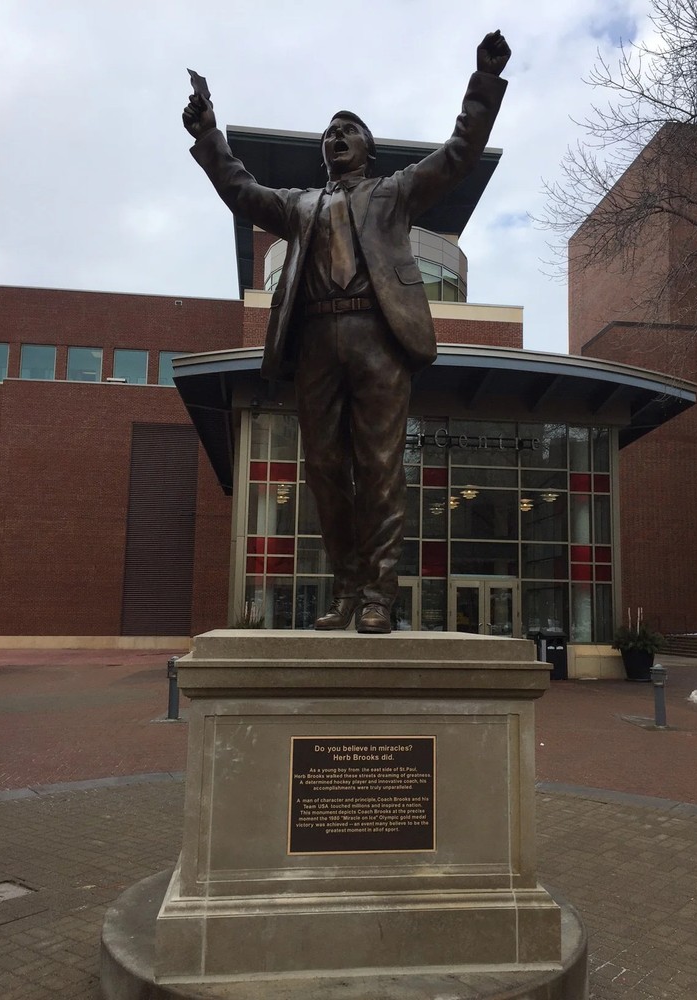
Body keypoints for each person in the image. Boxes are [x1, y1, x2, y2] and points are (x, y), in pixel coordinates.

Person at [183, 31, 510, 634]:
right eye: (328, 133)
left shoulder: (394, 193)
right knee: (327, 472)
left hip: (376, 339)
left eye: (347, 130)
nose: (334, 137)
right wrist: (209, 136)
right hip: (316, 346)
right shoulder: (300, 205)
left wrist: (483, 83)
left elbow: (460, 153)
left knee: (381, 468)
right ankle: (346, 591)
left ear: (369, 150)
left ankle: (378, 599)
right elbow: (240, 190)